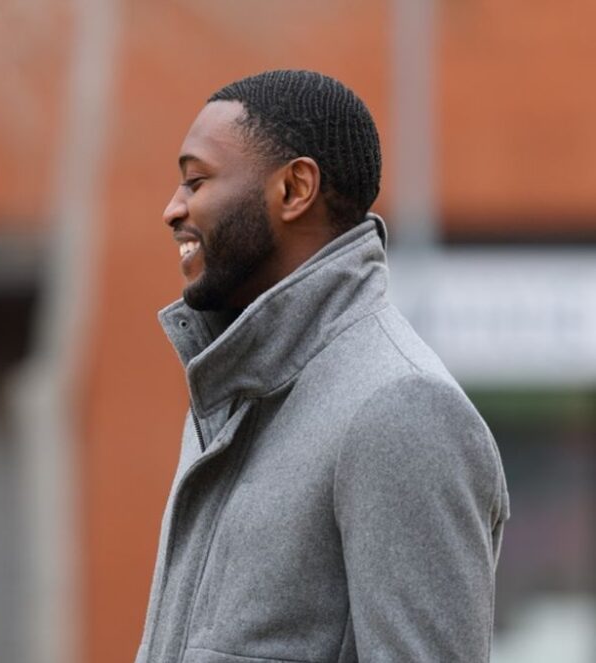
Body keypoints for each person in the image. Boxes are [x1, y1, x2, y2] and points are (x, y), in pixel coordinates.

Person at [136, 70, 509, 662]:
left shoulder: (401, 409)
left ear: (294, 189)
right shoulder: (233, 394)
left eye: (197, 181)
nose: (172, 209)